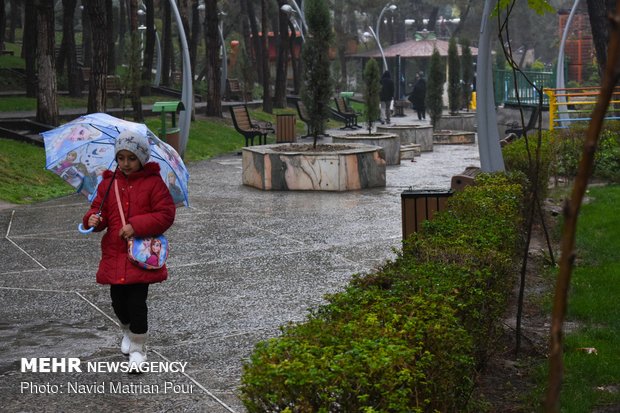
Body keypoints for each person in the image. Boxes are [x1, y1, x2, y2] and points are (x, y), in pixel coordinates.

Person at [83, 130, 176, 373]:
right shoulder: (108, 183)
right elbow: (99, 211)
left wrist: (136, 226)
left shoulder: (153, 183)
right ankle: (127, 330)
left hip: (140, 255)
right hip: (115, 253)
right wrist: (92, 219)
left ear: (142, 158)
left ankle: (138, 349)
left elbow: (166, 214)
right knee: (118, 302)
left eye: (131, 158)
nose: (125, 163)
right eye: (121, 157)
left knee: (137, 303)